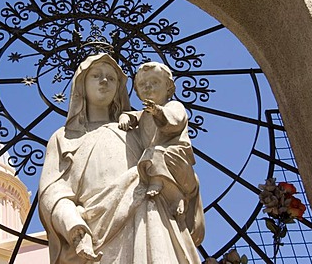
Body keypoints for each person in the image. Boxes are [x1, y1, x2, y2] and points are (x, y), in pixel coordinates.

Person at [39, 54, 205, 264]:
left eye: (112, 78)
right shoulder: (63, 138)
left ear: (120, 86)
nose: (104, 81)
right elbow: (52, 193)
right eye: (96, 75)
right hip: (94, 229)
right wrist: (73, 224)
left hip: (149, 216)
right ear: (81, 84)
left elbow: (173, 164)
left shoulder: (137, 130)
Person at [118, 62, 196, 214]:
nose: (148, 87)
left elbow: (175, 121)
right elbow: (130, 116)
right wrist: (124, 117)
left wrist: (158, 112)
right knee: (152, 154)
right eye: (142, 84)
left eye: (154, 82)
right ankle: (173, 194)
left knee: (157, 152)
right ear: (137, 91)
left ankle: (160, 182)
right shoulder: (144, 114)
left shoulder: (174, 105)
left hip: (176, 158)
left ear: (169, 87)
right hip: (152, 158)